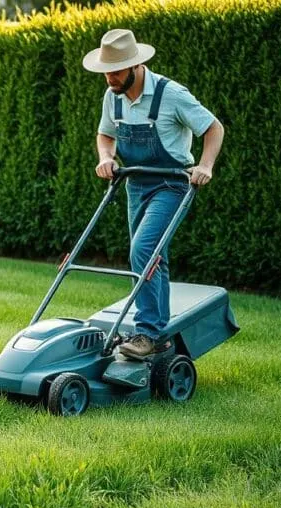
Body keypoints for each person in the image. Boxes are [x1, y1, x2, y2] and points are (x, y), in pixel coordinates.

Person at [82, 28, 224, 359]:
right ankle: (158, 335)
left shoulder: (171, 94)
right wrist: (106, 157)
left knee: (143, 250)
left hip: (171, 185)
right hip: (135, 184)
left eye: (116, 71)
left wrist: (205, 165)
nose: (110, 79)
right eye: (106, 72)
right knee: (153, 257)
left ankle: (146, 333)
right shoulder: (113, 95)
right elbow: (105, 134)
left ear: (135, 65)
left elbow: (213, 127)